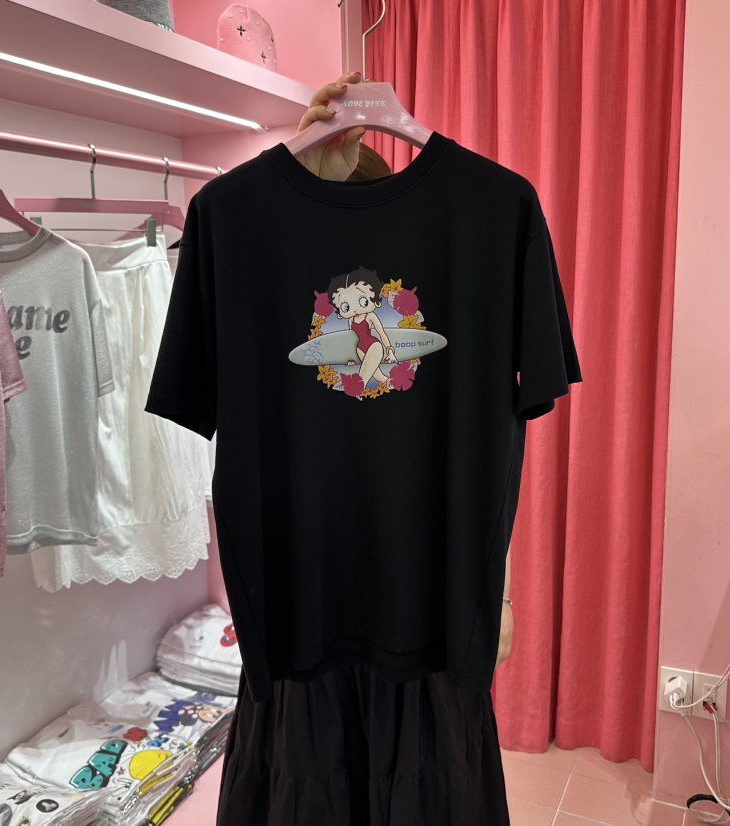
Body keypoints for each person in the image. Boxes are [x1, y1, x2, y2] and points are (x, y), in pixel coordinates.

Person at [214, 73, 515, 826]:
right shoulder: (234, 226)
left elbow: (494, 439)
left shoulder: (495, 215)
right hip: (309, 623)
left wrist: (495, 592)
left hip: (417, 618)